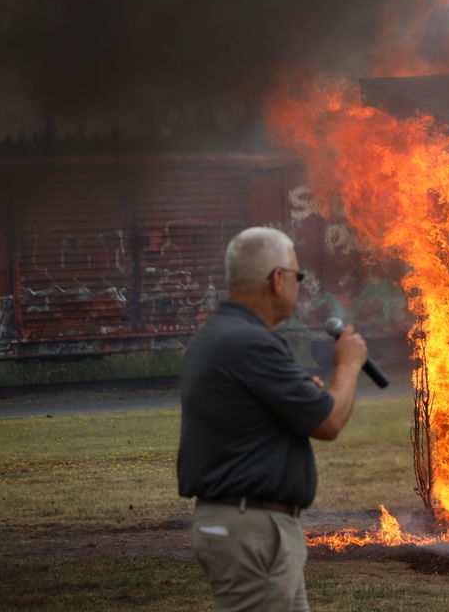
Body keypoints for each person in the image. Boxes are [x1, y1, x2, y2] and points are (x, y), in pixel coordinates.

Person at [177, 226, 367, 611]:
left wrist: (300, 393)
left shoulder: (219, 335)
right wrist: (348, 365)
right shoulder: (251, 342)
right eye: (298, 275)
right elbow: (328, 422)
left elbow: (255, 409)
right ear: (278, 280)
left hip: (245, 523)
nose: (299, 284)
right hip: (251, 528)